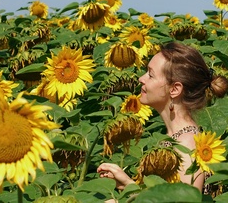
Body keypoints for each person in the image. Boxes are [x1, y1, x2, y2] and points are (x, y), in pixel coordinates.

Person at [97, 42, 228, 195]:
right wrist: (128, 186)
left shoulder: (187, 145)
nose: (141, 79)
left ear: (174, 89)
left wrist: (129, 184)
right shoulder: (175, 138)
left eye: (150, 75)